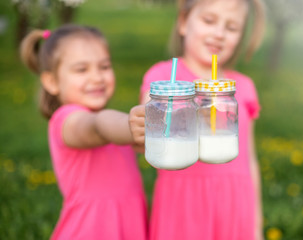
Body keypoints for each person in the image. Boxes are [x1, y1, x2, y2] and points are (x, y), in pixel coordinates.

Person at [140, 0, 266, 239]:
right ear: (184, 22)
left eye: (231, 28)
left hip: (235, 204)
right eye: (209, 21)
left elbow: (250, 160)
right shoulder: (163, 78)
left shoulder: (245, 88)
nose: (219, 34)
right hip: (182, 204)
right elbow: (149, 126)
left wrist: (257, 225)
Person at [20, 24, 147, 240]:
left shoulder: (112, 123)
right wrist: (129, 125)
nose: (97, 77)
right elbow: (96, 125)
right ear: (51, 82)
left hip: (128, 226)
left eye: (104, 66)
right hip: (90, 231)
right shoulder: (68, 120)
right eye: (82, 69)